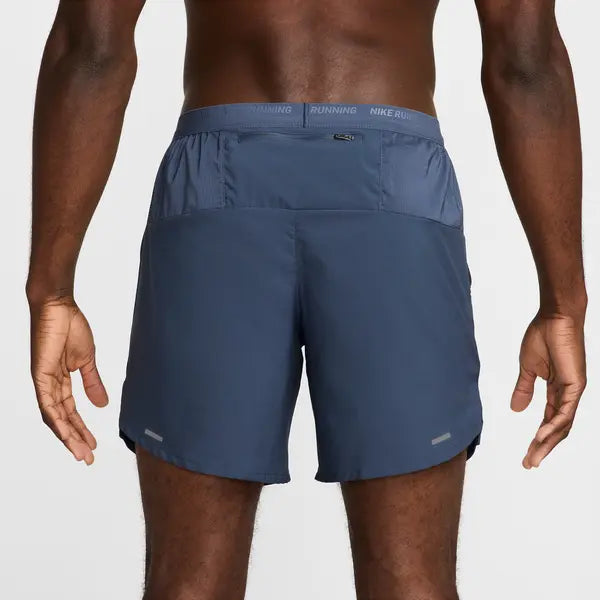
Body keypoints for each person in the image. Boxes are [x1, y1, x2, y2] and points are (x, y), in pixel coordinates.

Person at [27, 1, 587, 599]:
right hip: (394, 191)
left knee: (189, 585)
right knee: (412, 585)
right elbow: (526, 61)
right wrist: (563, 301)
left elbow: (90, 50)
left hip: (219, 186)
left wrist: (51, 288)